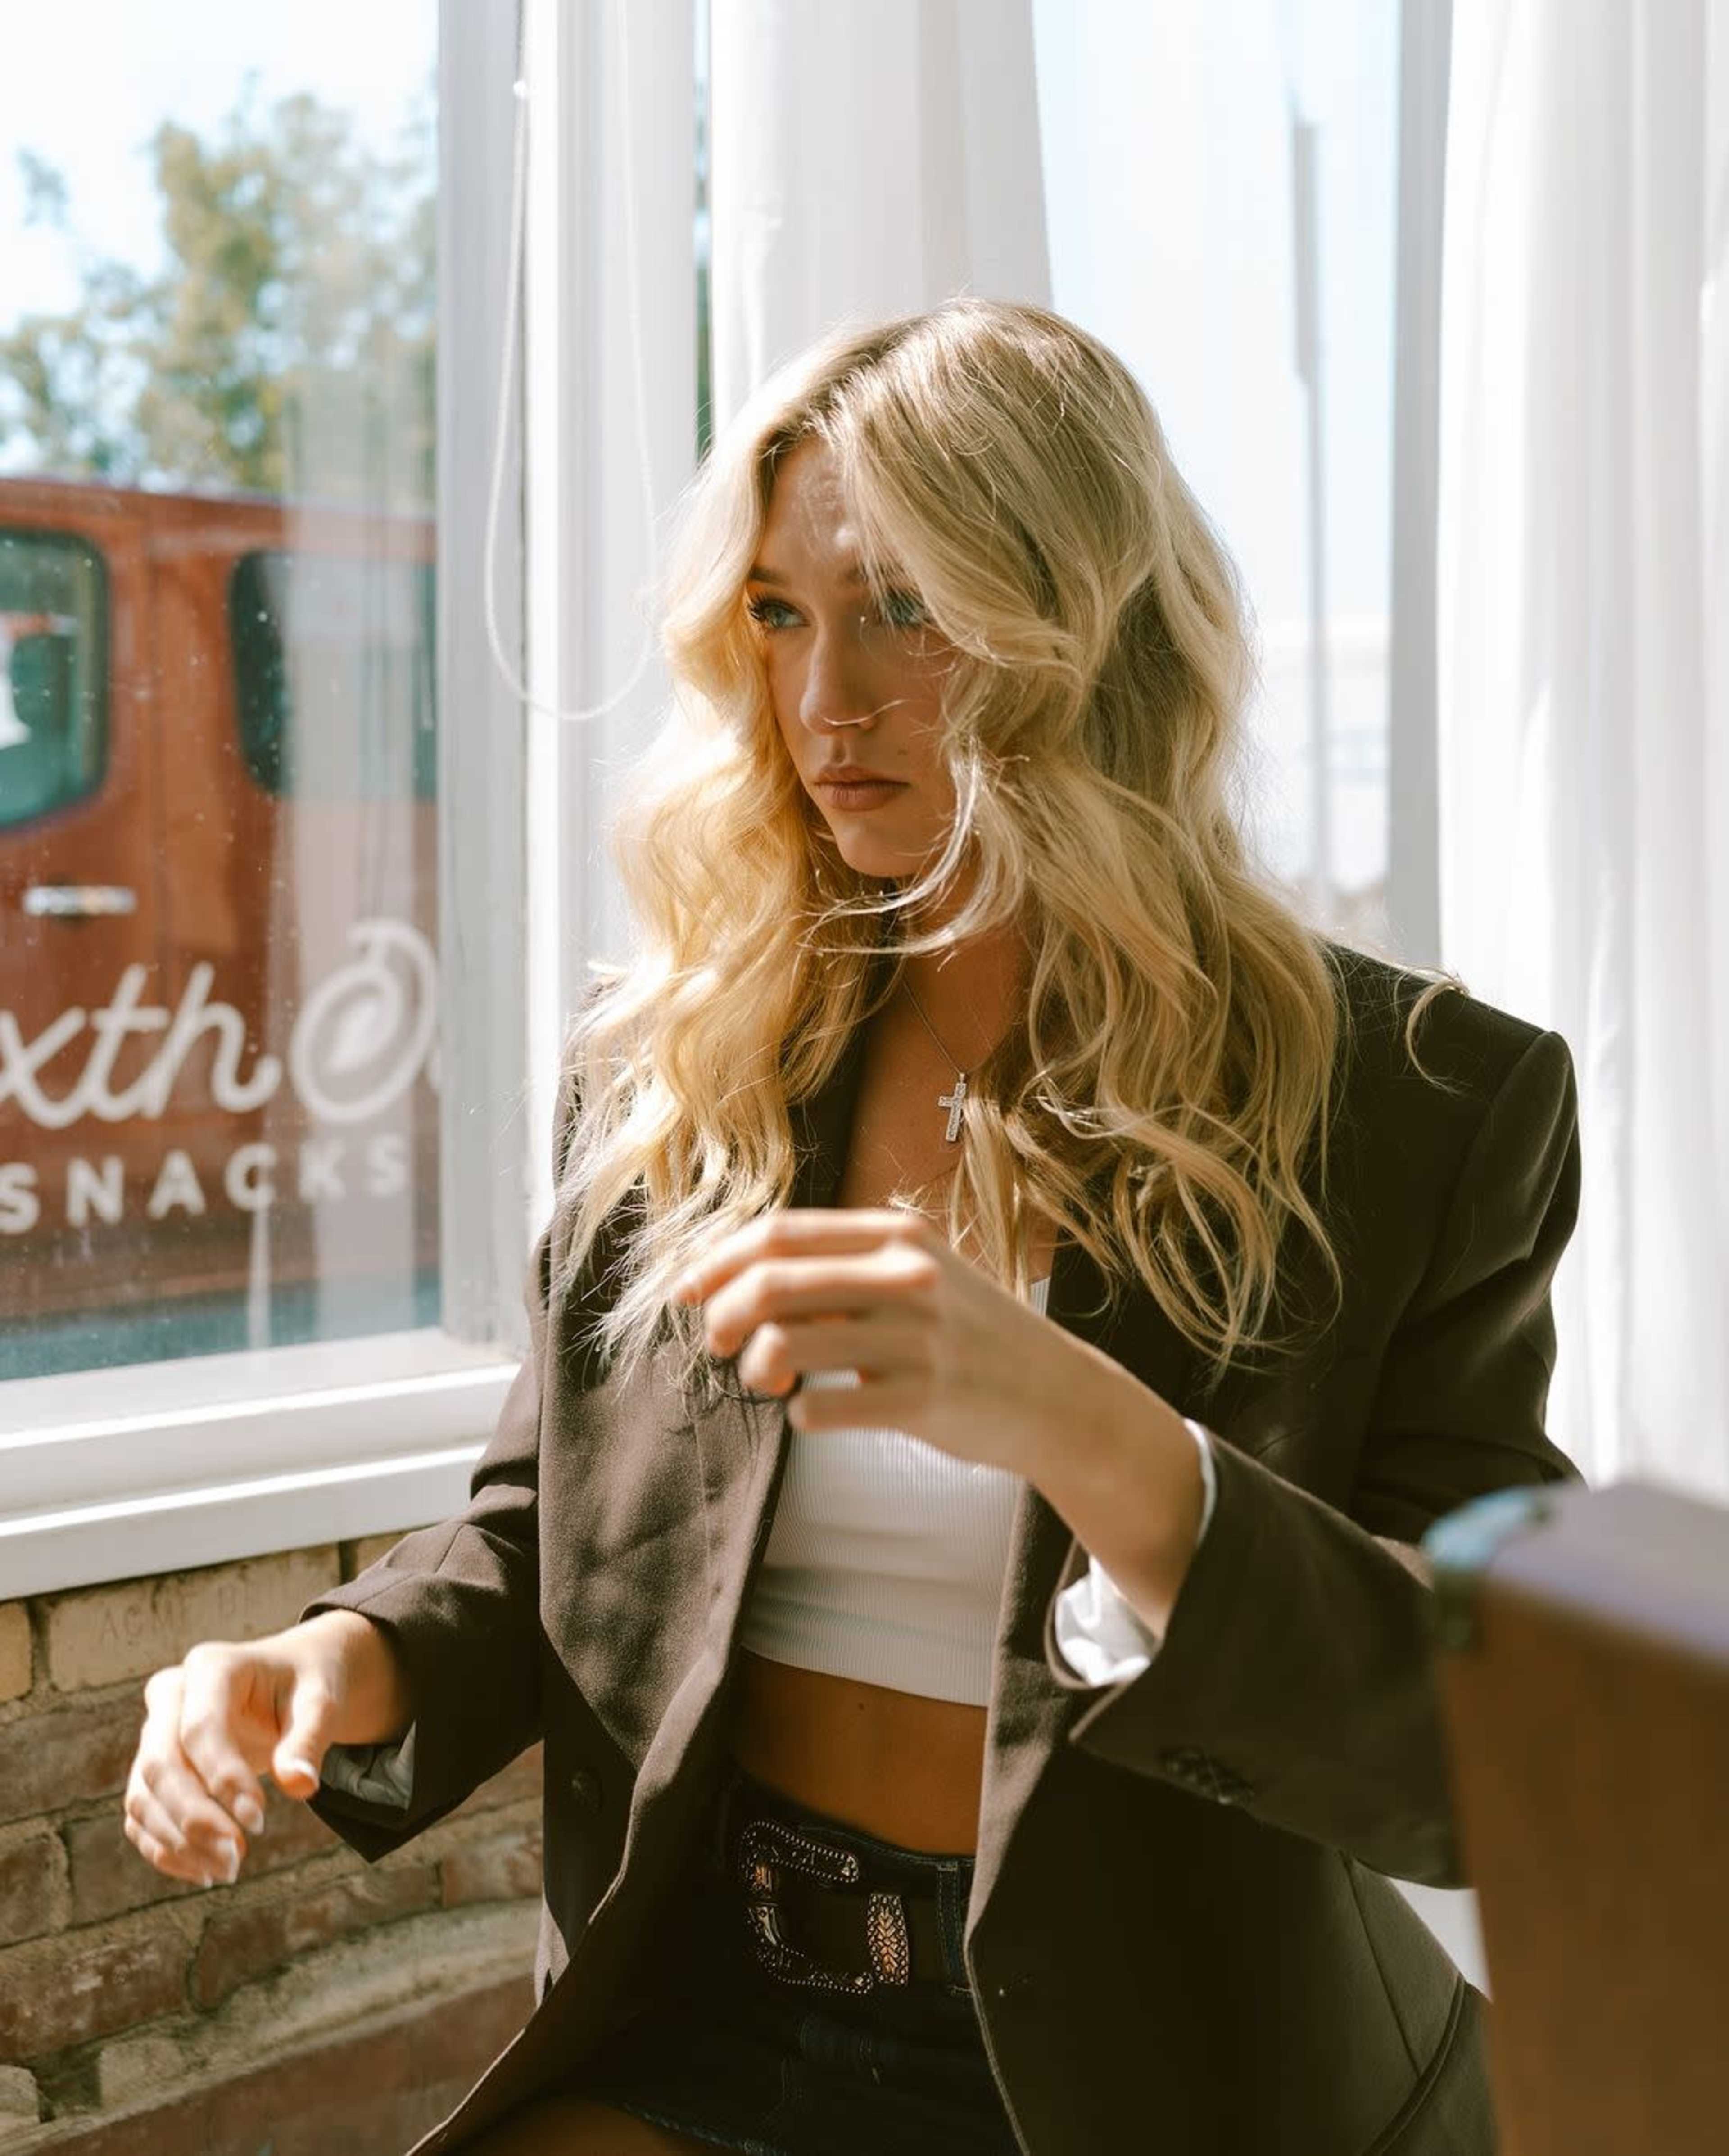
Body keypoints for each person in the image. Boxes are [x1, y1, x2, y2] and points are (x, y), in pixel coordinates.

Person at [122, 297, 1583, 2156]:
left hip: (1178, 2078)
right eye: (782, 615)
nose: (829, 703)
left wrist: (1084, 1423)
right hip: (718, 2020)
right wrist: (333, 1665)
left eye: (903, 605)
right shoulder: (687, 1066)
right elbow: (546, 1529)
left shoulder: (1423, 1103)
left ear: (1086, 625)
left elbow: (1473, 1757)